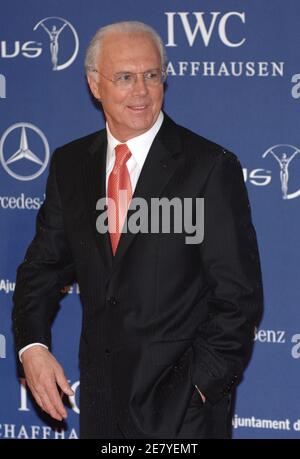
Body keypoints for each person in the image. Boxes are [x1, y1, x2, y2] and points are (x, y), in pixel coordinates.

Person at [12, 21, 263, 439]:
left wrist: (195, 389)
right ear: (95, 84)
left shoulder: (209, 168)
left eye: (151, 75)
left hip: (184, 418)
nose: (142, 91)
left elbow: (238, 298)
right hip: (100, 408)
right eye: (125, 77)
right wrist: (32, 347)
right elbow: (42, 268)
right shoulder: (71, 166)